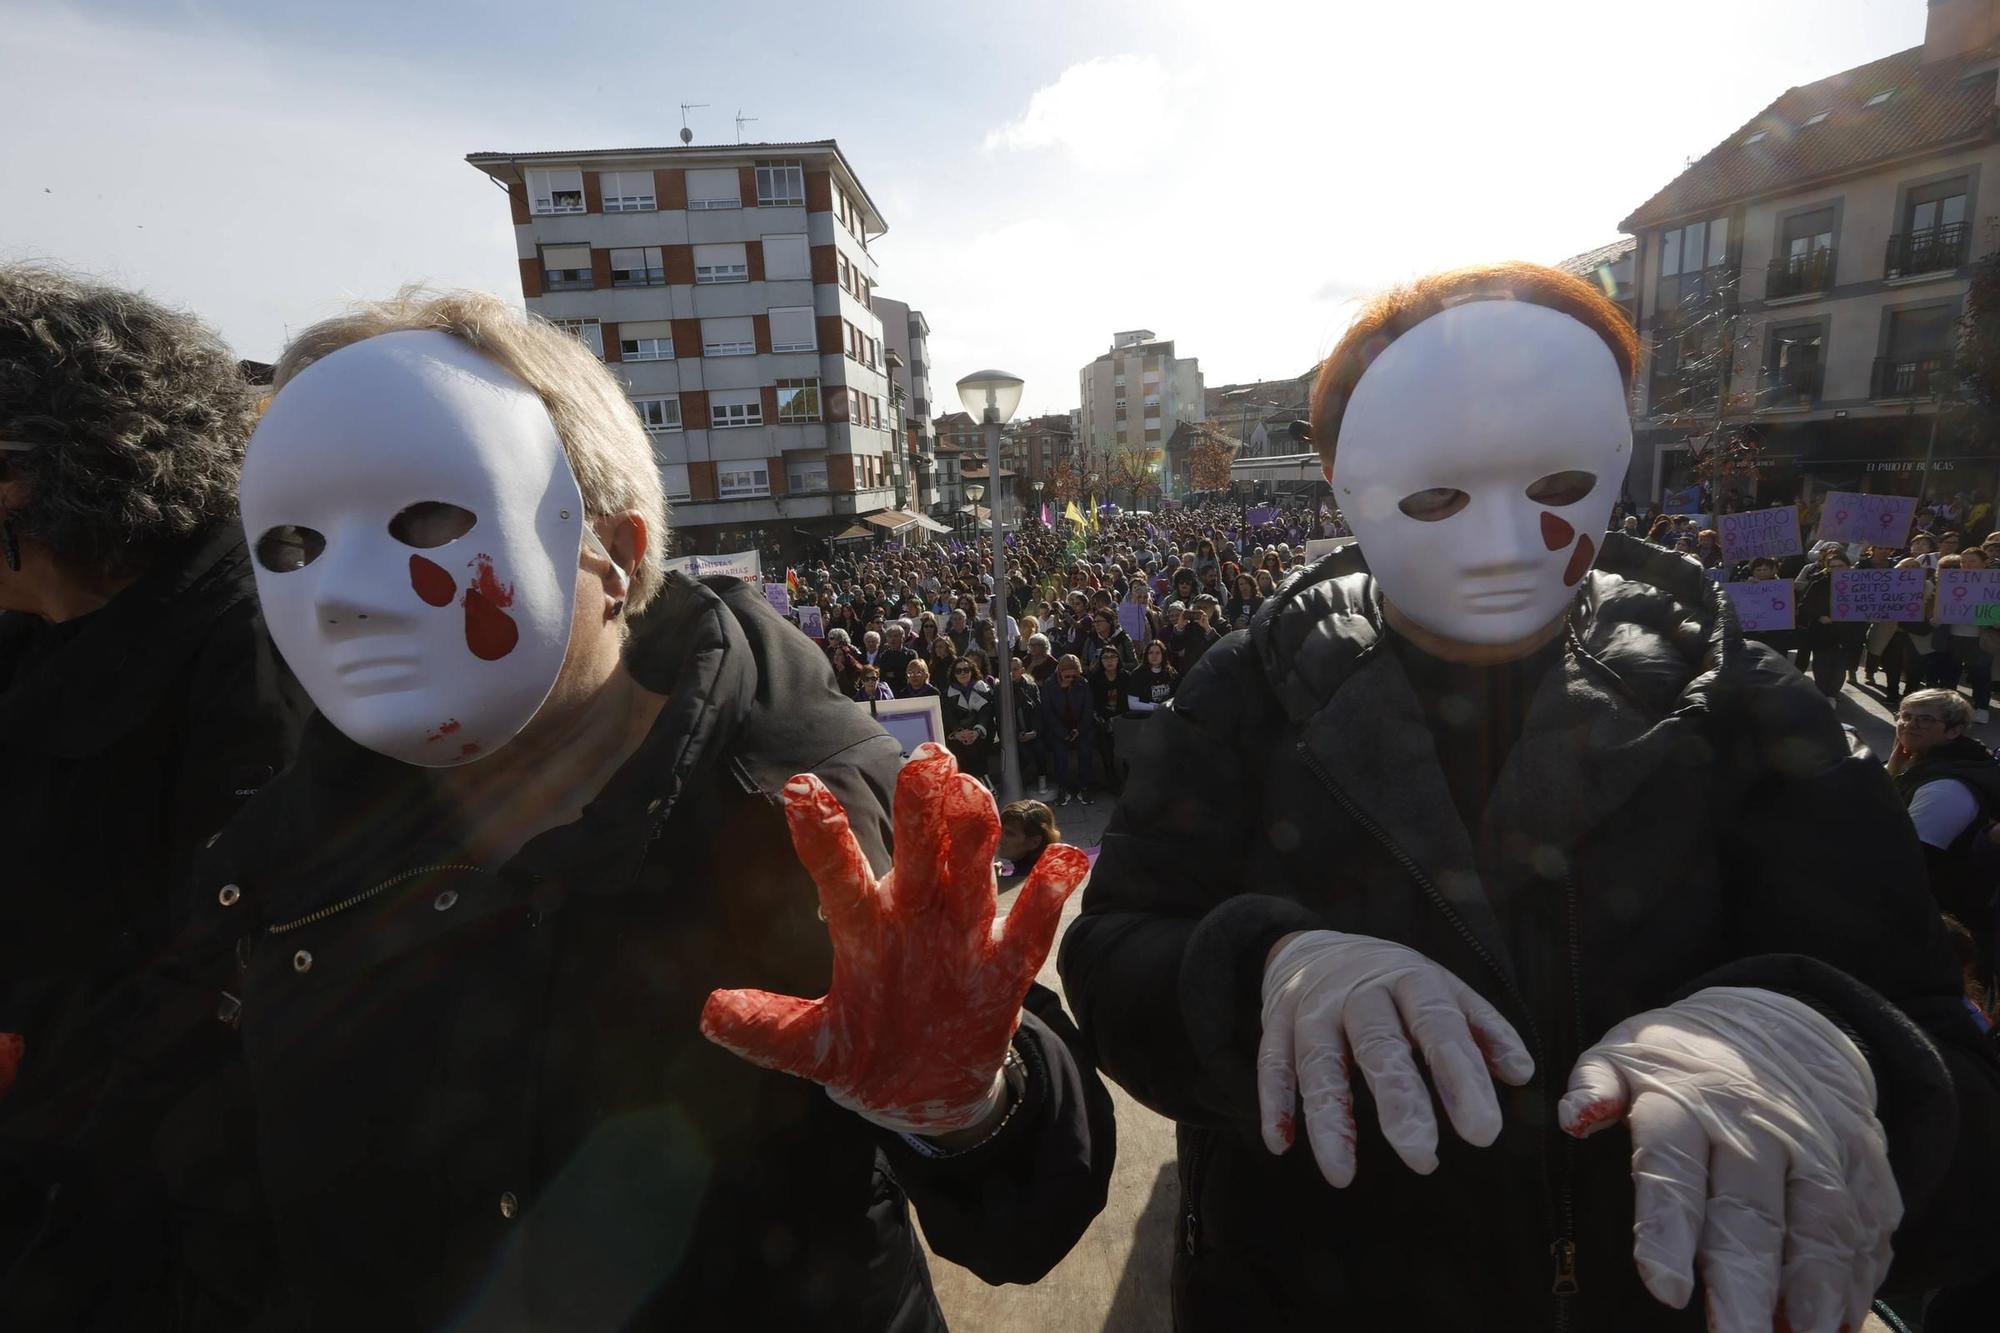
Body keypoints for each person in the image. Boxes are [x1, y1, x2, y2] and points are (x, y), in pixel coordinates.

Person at [63, 292, 1115, 1329]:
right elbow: (188, 1172)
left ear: (610, 550)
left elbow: (1024, 1217)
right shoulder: (284, 843)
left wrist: (973, 1108)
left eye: (422, 519)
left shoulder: (801, 814)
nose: (340, 596)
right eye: (290, 546)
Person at [1061, 262, 2000, 1331]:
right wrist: (1259, 975)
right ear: (1341, 490)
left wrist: (1831, 1054)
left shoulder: (1743, 709)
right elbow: (1114, 955)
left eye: (1554, 488)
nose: (1506, 545)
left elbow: (1958, 1116)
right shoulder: (1244, 696)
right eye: (1436, 496)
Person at [0, 266, 313, 1326]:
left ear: (25, 477)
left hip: (174, 1215)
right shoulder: (34, 625)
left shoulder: (254, 638)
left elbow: (223, 960)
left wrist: (30, 1075)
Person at [1888, 688, 2000, 990]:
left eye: (1925, 720)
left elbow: (1909, 857)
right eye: (1905, 716)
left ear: (1955, 730)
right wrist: (1895, 767)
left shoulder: (1946, 788)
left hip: (1941, 913)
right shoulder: (1930, 762)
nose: (1909, 725)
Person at [1798, 549, 1864, 699]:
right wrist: (1819, 616)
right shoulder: (1818, 582)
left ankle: (1832, 695)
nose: (1836, 570)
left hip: (1847, 633)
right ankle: (1822, 695)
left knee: (1839, 668)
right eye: (1832, 566)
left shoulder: (1859, 583)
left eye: (1839, 566)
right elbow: (1804, 606)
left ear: (1848, 566)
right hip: (1823, 633)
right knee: (1822, 667)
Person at [1039, 653, 1096, 808]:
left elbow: (1088, 709)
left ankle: (1085, 786)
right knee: (1060, 752)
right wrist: (1063, 733)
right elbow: (1048, 713)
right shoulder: (1049, 686)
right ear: (1060, 672)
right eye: (1067, 676)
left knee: (1085, 750)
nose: (1071, 679)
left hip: (1080, 728)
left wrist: (1079, 729)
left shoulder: (1082, 684)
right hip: (1059, 729)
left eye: (1074, 676)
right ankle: (1062, 787)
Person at [941, 656, 997, 782]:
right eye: (958, 671)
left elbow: (986, 712)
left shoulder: (983, 688)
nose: (963, 673)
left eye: (966, 670)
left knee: (976, 749)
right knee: (961, 750)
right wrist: (958, 732)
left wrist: (977, 731)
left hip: (982, 732)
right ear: (953, 674)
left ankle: (985, 786)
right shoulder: (947, 694)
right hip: (959, 735)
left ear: (972, 671)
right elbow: (948, 716)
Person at [1088, 643, 1131, 794]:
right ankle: (1111, 778)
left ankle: (1129, 778)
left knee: (1127, 740)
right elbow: (1093, 705)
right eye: (1105, 658)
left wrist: (1118, 719)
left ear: (1118, 659)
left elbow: (1128, 704)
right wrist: (1106, 720)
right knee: (1104, 740)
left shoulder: (1125, 676)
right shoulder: (1095, 679)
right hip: (1102, 719)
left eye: (1113, 657)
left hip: (1122, 718)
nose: (1109, 660)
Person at [998, 799, 1062, 887]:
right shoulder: (1052, 863)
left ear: (1034, 842)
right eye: (1000, 829)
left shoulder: (1026, 883)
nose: (998, 836)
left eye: (1010, 834)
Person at [1008, 655, 1047, 799]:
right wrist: (1018, 733)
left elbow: (1038, 710)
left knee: (1040, 749)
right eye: (1010, 670)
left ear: (1022, 670)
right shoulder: (1003, 688)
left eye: (1016, 669)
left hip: (1032, 729)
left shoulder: (1031, 687)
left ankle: (1042, 779)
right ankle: (1020, 785)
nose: (1013, 673)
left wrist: (1035, 731)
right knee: (1022, 754)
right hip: (1015, 732)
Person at [1124, 639, 1177, 717]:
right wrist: (1156, 707)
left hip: (1167, 716)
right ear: (1146, 655)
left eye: (1157, 653)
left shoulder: (1171, 672)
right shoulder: (1137, 674)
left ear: (1163, 654)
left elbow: (1178, 696)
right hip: (1145, 717)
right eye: (1150, 653)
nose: (1154, 656)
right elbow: (1132, 704)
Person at [878, 622, 916, 697]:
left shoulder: (911, 654)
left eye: (896, 636)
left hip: (908, 691)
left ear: (902, 638)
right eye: (890, 636)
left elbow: (911, 673)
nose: (893, 639)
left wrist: (894, 674)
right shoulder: (883, 656)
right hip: (889, 692)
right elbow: (882, 675)